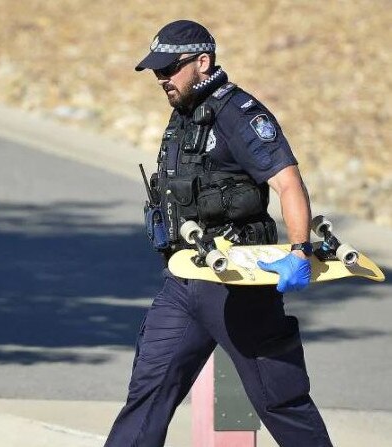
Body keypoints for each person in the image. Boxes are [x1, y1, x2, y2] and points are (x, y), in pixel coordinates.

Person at [104, 20, 332, 447]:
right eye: (157, 71)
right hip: (185, 276)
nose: (161, 78)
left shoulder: (239, 114)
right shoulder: (185, 115)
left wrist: (300, 250)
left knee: (279, 401)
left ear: (202, 62)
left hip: (236, 284)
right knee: (148, 394)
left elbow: (288, 182)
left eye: (169, 68)